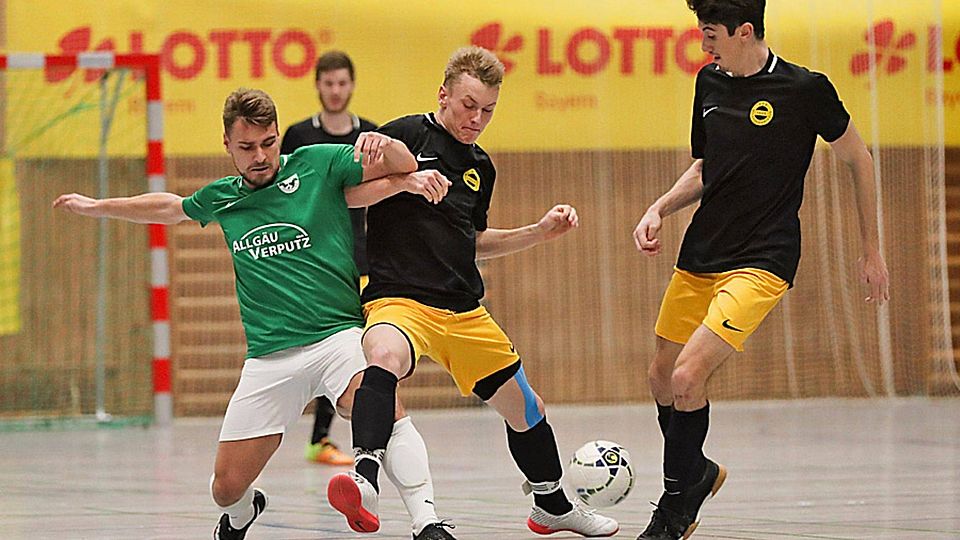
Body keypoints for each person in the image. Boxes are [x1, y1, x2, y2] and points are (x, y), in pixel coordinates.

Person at [53, 88, 457, 540]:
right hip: (269, 358)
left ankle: (427, 523)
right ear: (227, 144)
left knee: (383, 407)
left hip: (336, 338)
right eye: (247, 148)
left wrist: (387, 147)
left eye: (268, 143)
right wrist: (96, 206)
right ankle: (246, 510)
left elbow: (401, 165)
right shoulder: (223, 199)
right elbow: (170, 207)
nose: (260, 156)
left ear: (279, 135)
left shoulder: (318, 164)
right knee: (225, 488)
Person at [325, 46, 619, 538]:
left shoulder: (482, 165)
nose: (476, 119)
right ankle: (366, 477)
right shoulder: (400, 135)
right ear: (444, 94)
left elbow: (473, 242)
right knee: (382, 356)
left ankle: (551, 505)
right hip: (398, 298)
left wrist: (536, 232)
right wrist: (405, 182)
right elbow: (343, 196)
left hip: (462, 309)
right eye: (468, 105)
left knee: (528, 410)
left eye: (487, 111)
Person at [631, 1, 890, 539]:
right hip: (703, 250)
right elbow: (706, 168)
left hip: (763, 258)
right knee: (660, 377)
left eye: (711, 35)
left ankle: (675, 508)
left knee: (686, 376)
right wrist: (659, 207)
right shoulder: (709, 83)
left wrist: (872, 250)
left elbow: (858, 158)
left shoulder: (805, 89)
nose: (704, 47)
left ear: (744, 31)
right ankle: (696, 471)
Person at [281, 50, 378, 468]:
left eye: (342, 83)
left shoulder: (371, 135)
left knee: (357, 347)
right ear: (317, 85)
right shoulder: (299, 135)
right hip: (312, 259)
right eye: (328, 83)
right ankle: (317, 437)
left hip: (358, 257)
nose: (336, 91)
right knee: (319, 344)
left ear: (352, 85)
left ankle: (334, 436)